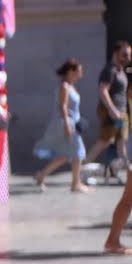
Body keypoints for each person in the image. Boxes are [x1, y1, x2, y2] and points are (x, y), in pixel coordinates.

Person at [34, 59, 89, 193]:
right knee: (78, 152)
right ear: (70, 71)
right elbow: (63, 106)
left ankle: (41, 175)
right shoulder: (64, 87)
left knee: (65, 155)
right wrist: (67, 124)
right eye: (78, 71)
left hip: (73, 123)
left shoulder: (70, 86)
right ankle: (75, 183)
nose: (80, 75)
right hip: (68, 124)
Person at [84, 41, 131, 184]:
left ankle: (126, 175)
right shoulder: (109, 70)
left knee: (121, 144)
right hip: (113, 115)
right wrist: (112, 110)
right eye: (125, 54)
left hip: (121, 114)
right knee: (104, 142)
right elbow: (103, 91)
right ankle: (81, 170)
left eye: (129, 55)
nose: (128, 58)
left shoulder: (121, 71)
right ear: (116, 53)